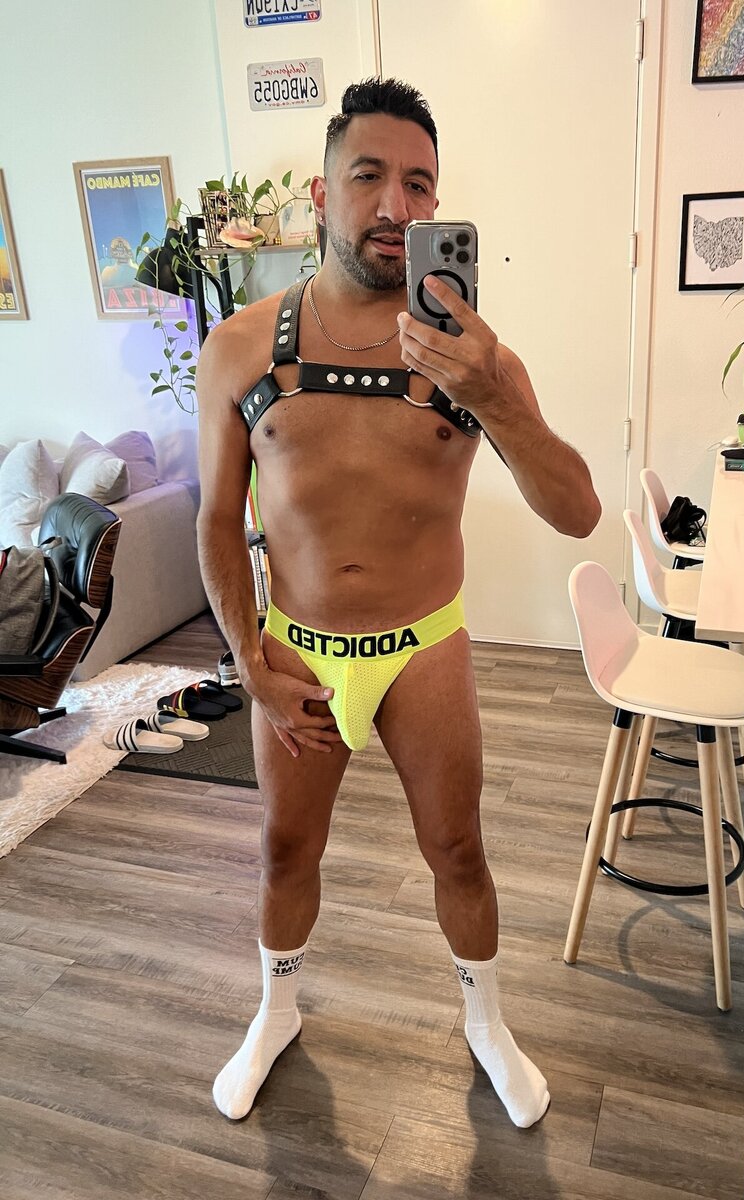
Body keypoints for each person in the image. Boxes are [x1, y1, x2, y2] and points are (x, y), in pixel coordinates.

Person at [196, 77, 601, 1129]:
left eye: (418, 184)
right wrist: (249, 664)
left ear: (437, 206)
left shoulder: (478, 358)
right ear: (322, 192)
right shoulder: (241, 347)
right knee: (285, 850)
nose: (393, 205)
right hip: (295, 648)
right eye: (368, 176)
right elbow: (216, 519)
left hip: (425, 646)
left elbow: (578, 513)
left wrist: (494, 396)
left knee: (457, 849)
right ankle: (275, 1011)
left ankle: (487, 1021)